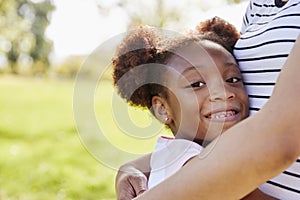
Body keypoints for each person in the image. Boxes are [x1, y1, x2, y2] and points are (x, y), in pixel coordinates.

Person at [115, 0, 300, 199]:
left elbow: (284, 136)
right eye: (197, 84)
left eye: (233, 79)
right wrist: (134, 168)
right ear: (162, 108)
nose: (223, 92)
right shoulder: (259, 6)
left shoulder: (183, 156)